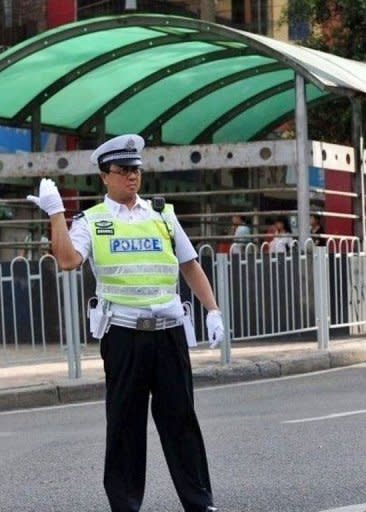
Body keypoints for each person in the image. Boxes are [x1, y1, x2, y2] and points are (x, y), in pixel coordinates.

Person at [27, 134, 224, 512]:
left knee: (181, 421)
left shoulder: (162, 214)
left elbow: (189, 263)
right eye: (123, 171)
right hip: (124, 336)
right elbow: (67, 261)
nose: (132, 177)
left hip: (169, 333)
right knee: (125, 425)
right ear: (105, 176)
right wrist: (56, 213)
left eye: (136, 170)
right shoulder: (93, 220)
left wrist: (212, 310)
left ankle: (201, 503)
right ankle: (126, 505)